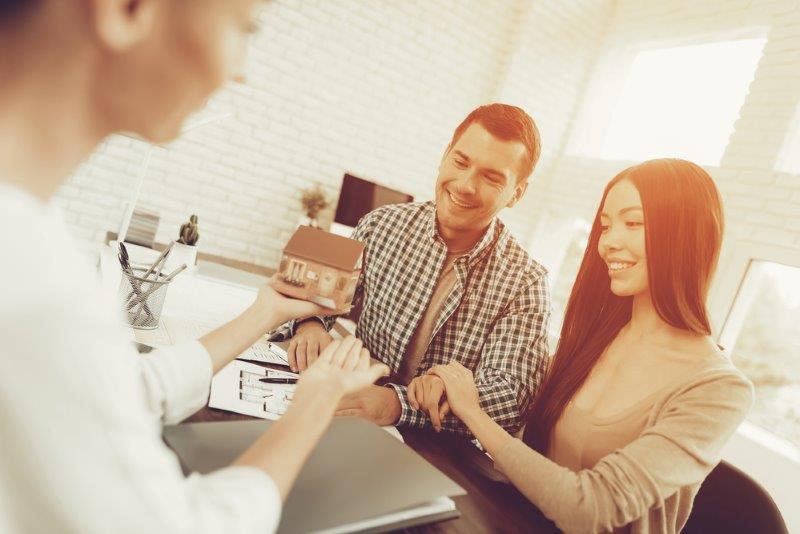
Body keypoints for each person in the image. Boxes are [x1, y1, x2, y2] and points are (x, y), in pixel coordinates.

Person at [0, 1, 388, 533]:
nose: (240, 70)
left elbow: (115, 392)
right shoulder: (32, 286)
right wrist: (316, 401)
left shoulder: (29, 246)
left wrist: (263, 313)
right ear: (126, 10)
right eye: (243, 26)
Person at [427, 159, 753, 533]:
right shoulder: (594, 339)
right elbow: (520, 414)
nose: (609, 241)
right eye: (606, 225)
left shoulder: (719, 389)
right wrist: (449, 386)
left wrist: (474, 414)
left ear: (686, 235)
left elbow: (590, 508)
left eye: (633, 223)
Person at [281, 103, 552, 435]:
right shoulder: (379, 224)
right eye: (461, 162)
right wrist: (310, 325)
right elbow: (317, 297)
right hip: (349, 413)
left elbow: (511, 397)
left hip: (438, 447)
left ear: (517, 194)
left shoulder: (528, 282)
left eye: (491, 177)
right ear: (444, 156)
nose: (466, 184)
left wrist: (397, 405)